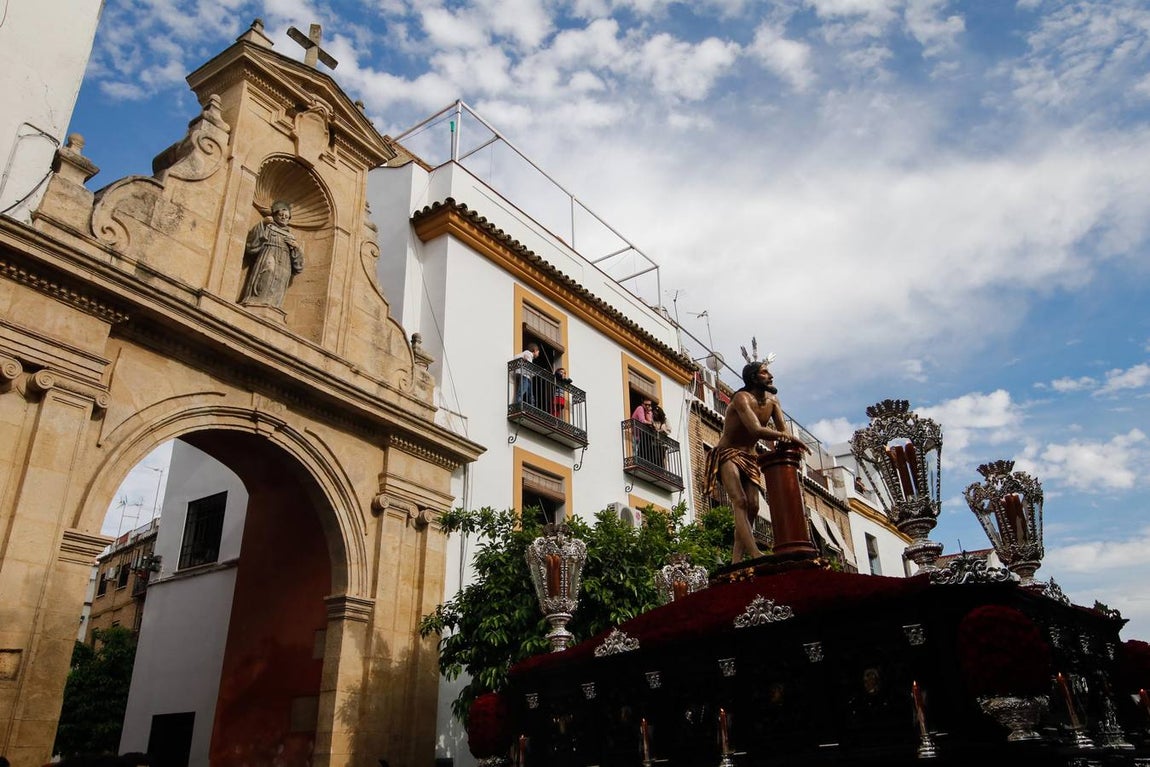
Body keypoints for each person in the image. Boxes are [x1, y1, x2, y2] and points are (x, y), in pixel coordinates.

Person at [704, 361, 809, 562]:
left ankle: (736, 559)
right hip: (728, 453)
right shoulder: (741, 399)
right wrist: (786, 437)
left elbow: (782, 432)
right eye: (764, 372)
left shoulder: (773, 402)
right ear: (753, 377)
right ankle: (754, 553)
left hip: (751, 457)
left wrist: (788, 444)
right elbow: (756, 430)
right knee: (740, 502)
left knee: (753, 506)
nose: (770, 376)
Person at [240, 200, 304, 309]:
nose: (284, 217)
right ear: (275, 215)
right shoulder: (268, 227)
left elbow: (298, 266)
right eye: (281, 215)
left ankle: (274, 306)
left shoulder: (291, 237)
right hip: (269, 254)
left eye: (286, 216)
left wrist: (296, 248)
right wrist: (263, 223)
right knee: (268, 271)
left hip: (284, 263)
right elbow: (252, 245)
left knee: (280, 279)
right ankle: (257, 300)